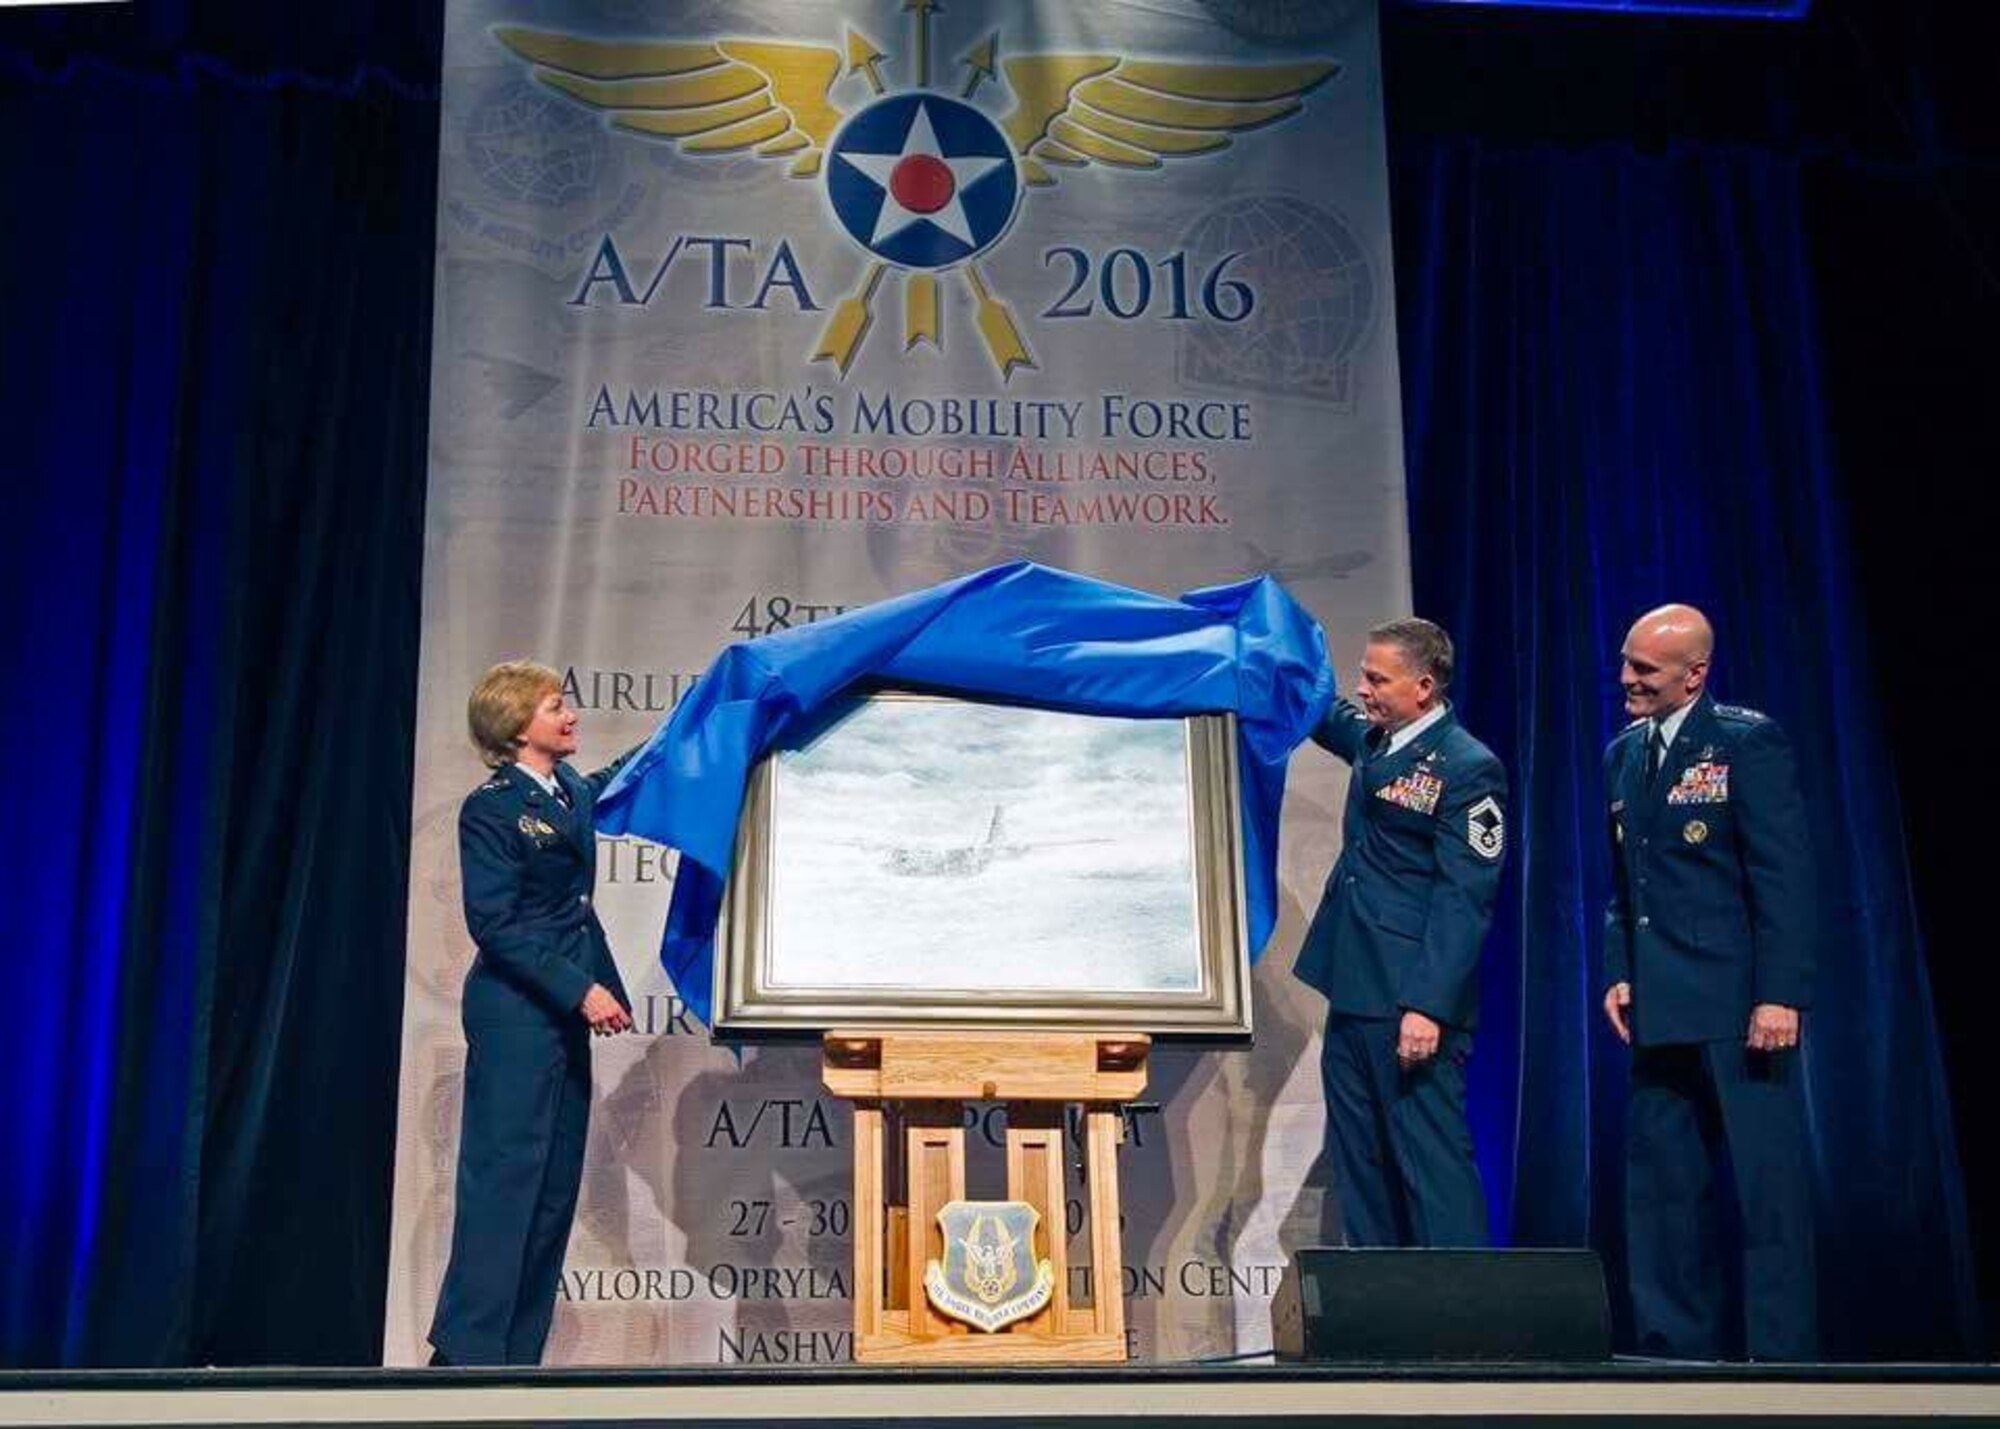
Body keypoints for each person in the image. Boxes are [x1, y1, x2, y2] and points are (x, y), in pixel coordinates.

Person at [1602, 604, 1817, 1361]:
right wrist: (1619, 971)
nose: (1626, 678)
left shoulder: (1745, 741)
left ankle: (1782, 1358)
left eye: (1645, 669)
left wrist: (1780, 992)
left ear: (1695, 673)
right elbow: (1624, 887)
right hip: (1659, 1007)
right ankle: (1673, 1352)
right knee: (1662, 1193)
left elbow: (1782, 877)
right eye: (1627, 662)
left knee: (1767, 1192)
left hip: (1739, 1004)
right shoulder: (1623, 754)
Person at [428, 661, 637, 1366]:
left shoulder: (568, 790)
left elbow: (613, 781)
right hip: (517, 1010)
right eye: (555, 705)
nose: (570, 713)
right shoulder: (489, 807)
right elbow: (495, 923)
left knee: (552, 1183)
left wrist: (691, 724)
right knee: (505, 1177)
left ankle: (518, 1355)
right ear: (519, 725)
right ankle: (466, 1353)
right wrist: (581, 988)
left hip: (559, 1012)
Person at [1296, 618, 1507, 1248]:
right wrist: (1266, 645)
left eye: (1376, 678)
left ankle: (1468, 1318)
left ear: (1423, 686)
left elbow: (1465, 899)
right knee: (1361, 1161)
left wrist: (1428, 1006)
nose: (1362, 687)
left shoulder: (1470, 768)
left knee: (1431, 1163)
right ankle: (1383, 1315)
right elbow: (1321, 711)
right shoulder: (1377, 741)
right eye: (1364, 673)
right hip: (1355, 987)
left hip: (1412, 1003)